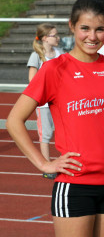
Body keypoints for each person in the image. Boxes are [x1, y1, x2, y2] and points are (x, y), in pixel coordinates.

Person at [7, 0, 104, 237]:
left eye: (99, 29)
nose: (92, 36)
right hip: (75, 185)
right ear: (72, 26)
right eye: (84, 28)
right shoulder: (55, 69)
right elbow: (14, 120)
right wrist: (44, 163)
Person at [27, 23, 64, 180]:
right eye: (54, 35)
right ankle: (47, 165)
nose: (57, 38)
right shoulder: (36, 55)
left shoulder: (60, 53)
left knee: (64, 131)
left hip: (61, 101)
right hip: (44, 103)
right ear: (44, 38)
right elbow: (32, 79)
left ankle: (67, 162)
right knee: (46, 134)